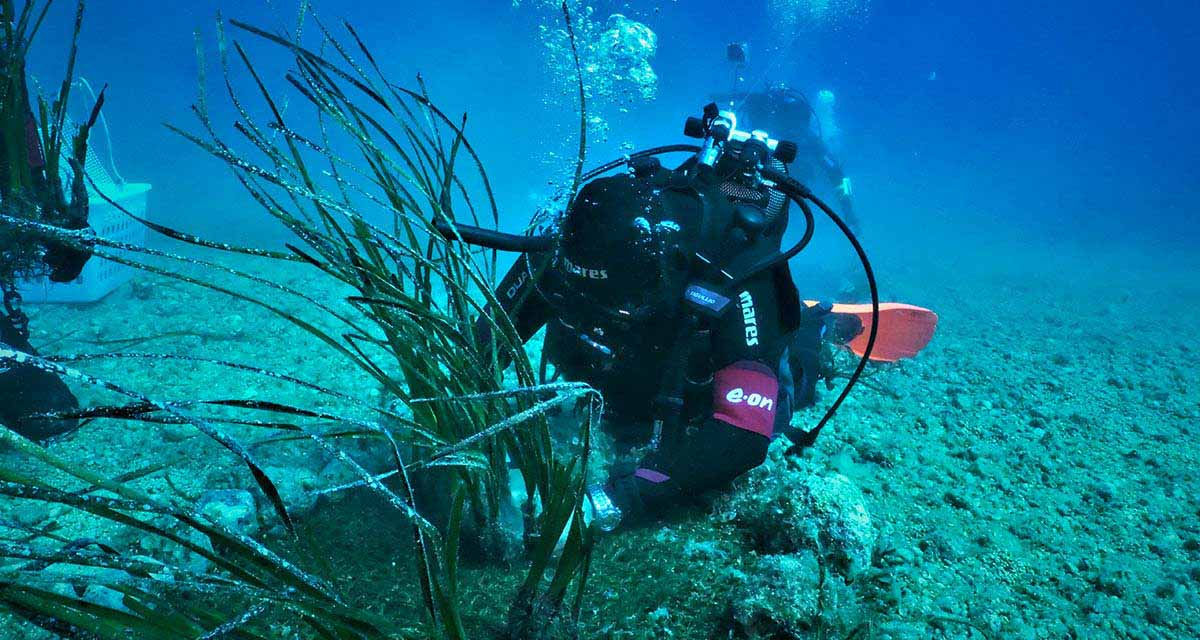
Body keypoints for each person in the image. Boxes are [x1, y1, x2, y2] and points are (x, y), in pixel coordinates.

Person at [471, 105, 880, 533]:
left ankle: (815, 325)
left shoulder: (735, 269)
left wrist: (609, 502)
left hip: (696, 379)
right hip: (628, 376)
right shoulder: (567, 251)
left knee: (787, 394)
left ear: (658, 273)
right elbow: (486, 340)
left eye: (619, 303)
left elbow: (743, 433)